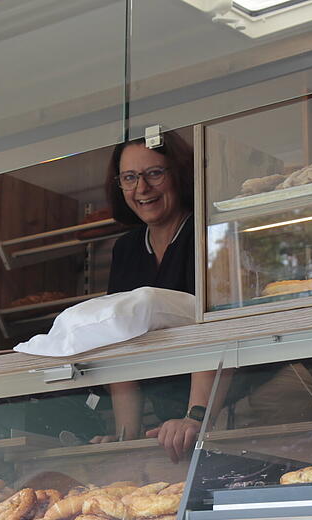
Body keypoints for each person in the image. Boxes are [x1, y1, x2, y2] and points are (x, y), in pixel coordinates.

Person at [94, 132, 219, 463]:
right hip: (177, 417)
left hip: (246, 398)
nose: (142, 188)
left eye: (154, 173)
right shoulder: (126, 249)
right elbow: (120, 343)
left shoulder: (208, 232)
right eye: (129, 177)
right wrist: (127, 437)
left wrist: (196, 415)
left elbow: (215, 332)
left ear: (180, 173)